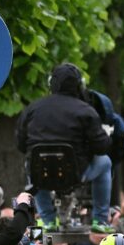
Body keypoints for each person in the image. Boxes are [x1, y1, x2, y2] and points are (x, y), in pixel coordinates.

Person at [16, 63, 113, 232]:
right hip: (75, 174)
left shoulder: (32, 109)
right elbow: (102, 147)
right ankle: (100, 220)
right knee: (105, 162)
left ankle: (48, 220)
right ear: (79, 85)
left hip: (41, 174)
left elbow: (21, 145)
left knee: (29, 163)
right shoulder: (86, 111)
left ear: (51, 83)